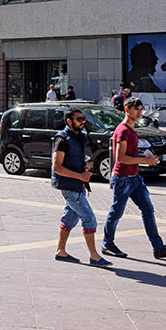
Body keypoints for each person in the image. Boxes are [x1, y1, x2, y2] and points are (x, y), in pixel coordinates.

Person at [101, 97, 166, 259]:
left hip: (134, 178)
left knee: (148, 210)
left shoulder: (132, 129)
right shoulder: (122, 131)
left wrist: (146, 157)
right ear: (127, 109)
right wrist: (145, 160)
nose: (140, 112)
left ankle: (158, 247)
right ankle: (107, 244)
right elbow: (120, 158)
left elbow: (129, 154)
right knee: (116, 212)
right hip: (123, 179)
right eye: (137, 109)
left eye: (141, 109)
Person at [51, 108, 111, 267]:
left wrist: (84, 165)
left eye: (83, 118)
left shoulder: (78, 137)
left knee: (69, 218)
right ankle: (94, 256)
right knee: (89, 219)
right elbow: (56, 167)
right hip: (70, 186)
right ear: (69, 121)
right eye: (79, 119)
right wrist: (80, 176)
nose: (83, 121)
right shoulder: (62, 139)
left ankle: (60, 251)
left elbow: (74, 159)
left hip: (77, 185)